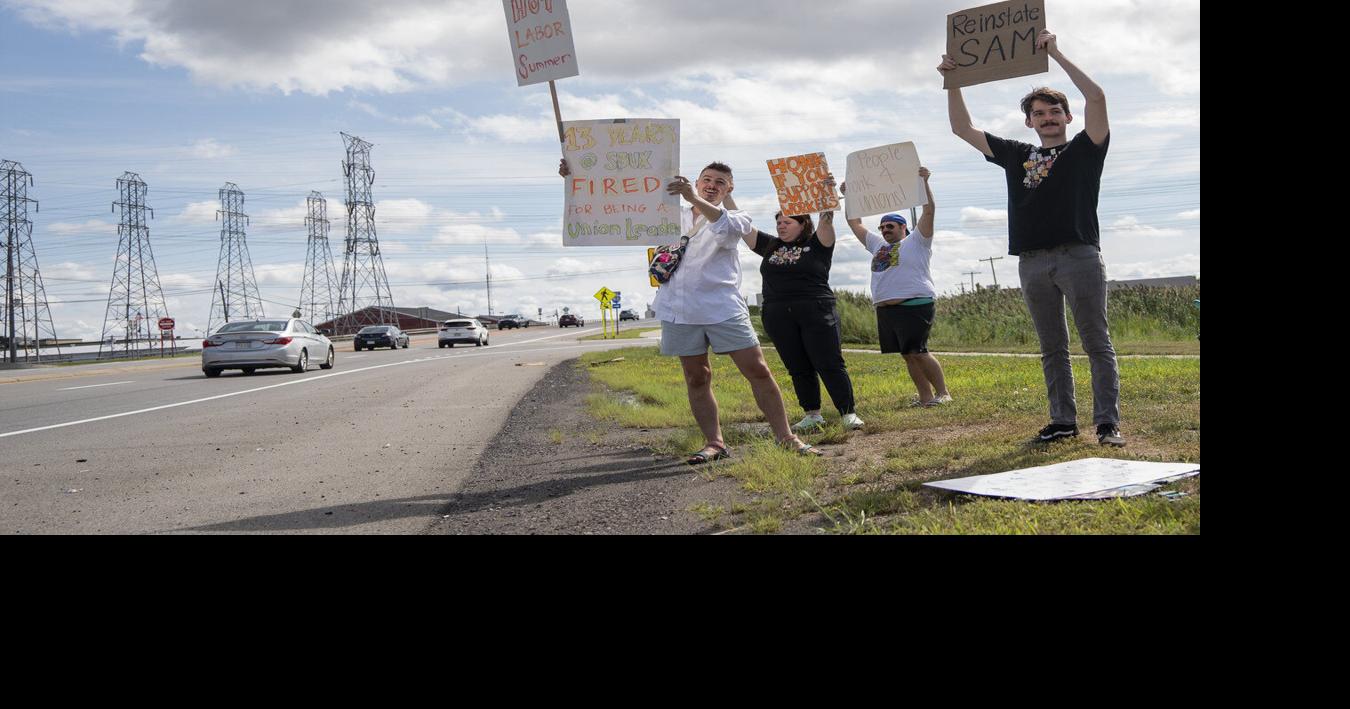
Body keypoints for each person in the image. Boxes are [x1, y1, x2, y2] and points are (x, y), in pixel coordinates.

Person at [559, 159, 822, 462]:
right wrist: (575, 179)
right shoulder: (667, 216)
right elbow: (615, 203)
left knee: (758, 369)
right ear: (697, 182)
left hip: (722, 307)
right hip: (679, 308)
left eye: (720, 182)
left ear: (729, 188)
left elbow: (723, 226)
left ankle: (786, 437)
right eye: (706, 180)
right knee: (697, 376)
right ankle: (715, 443)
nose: (712, 186)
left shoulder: (738, 218)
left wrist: (693, 198)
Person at [939, 29, 1125, 447]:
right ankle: (1062, 421)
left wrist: (1056, 52)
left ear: (1067, 117)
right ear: (1029, 122)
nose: (1047, 118)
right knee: (1052, 347)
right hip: (1032, 261)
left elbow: (1097, 99)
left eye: (1054, 111)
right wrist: (953, 80)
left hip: (1079, 256)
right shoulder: (1017, 154)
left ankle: (1107, 423)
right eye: (1039, 113)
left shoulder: (1086, 149)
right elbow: (961, 128)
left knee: (1096, 342)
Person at [735, 179, 864, 433]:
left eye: (787, 222)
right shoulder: (770, 246)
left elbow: (826, 219)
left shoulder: (817, 244)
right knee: (797, 366)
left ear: (803, 224)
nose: (781, 225)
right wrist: (729, 196)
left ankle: (848, 413)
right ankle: (812, 414)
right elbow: (741, 226)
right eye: (778, 222)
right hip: (778, 314)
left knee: (829, 362)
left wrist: (829, 194)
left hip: (816, 310)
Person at [843, 168, 951, 408]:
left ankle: (943, 392)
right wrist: (850, 196)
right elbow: (854, 222)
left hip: (915, 303)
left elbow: (929, 210)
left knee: (918, 350)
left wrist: (923, 182)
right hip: (886, 308)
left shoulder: (918, 241)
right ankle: (925, 397)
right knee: (907, 354)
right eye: (882, 227)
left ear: (903, 227)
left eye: (890, 226)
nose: (884, 230)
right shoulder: (876, 244)